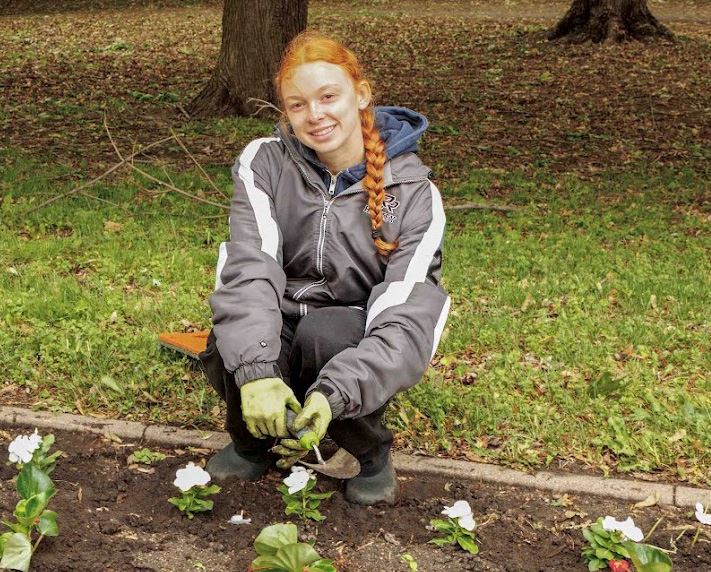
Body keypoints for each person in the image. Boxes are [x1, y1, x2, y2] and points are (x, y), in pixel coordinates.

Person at [199, 31, 450, 506]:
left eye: (328, 97)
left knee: (325, 332)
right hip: (280, 320)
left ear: (362, 94)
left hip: (348, 338)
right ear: (286, 113)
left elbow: (407, 312)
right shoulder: (262, 162)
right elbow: (249, 267)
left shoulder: (415, 193)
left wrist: (337, 393)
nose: (315, 115)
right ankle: (252, 444)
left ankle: (369, 453)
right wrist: (255, 371)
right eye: (297, 105)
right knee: (237, 331)